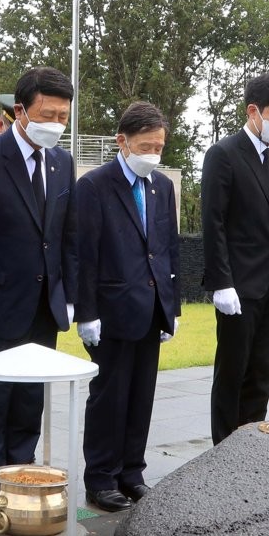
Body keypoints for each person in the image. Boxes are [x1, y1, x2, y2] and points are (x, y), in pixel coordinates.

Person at [0, 67, 78, 521]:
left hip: (44, 308)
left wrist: (69, 292)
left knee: (28, 405)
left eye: (63, 114)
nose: (56, 122)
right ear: (20, 111)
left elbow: (64, 235)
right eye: (48, 113)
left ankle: (20, 482)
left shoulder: (62, 162)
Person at [75, 102, 180, 512]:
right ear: (122, 141)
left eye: (158, 146)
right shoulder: (94, 186)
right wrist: (87, 312)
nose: (153, 153)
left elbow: (168, 248)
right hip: (110, 310)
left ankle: (131, 472)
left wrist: (171, 309)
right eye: (145, 145)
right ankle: (100, 478)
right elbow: (84, 253)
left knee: (141, 396)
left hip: (151, 307)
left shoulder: (161, 186)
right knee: (110, 397)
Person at [201, 71, 269, 445]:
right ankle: (223, 448)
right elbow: (214, 223)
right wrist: (221, 282)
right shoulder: (224, 154)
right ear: (253, 111)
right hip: (238, 284)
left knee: (262, 370)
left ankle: (253, 444)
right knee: (232, 371)